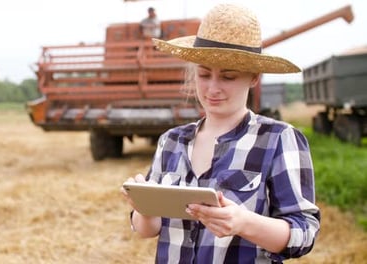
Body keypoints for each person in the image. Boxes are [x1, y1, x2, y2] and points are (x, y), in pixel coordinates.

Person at [121, 3, 320, 263]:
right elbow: (149, 230)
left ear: (254, 77)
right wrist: (144, 208)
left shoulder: (279, 138)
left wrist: (243, 223)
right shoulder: (171, 141)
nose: (213, 88)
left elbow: (304, 233)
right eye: (204, 74)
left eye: (228, 77)